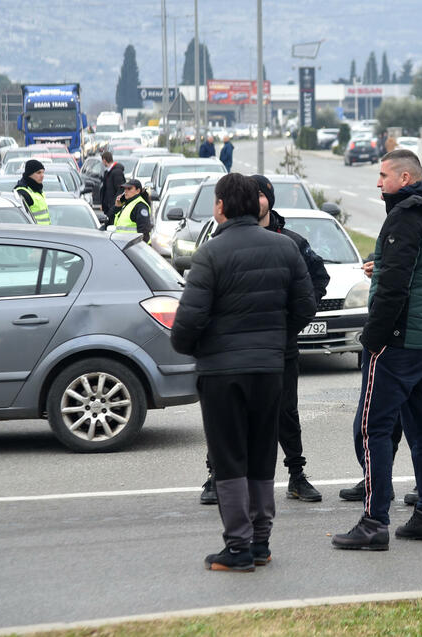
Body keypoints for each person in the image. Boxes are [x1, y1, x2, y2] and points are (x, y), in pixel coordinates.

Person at [172, 173, 316, 572]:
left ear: (220, 206)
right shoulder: (286, 249)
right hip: (269, 368)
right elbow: (305, 307)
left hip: (221, 372)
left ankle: (237, 547)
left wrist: (195, 348)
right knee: (261, 455)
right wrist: (274, 338)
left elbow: (187, 324)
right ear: (257, 206)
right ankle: (260, 542)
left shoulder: (211, 254)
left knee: (228, 458)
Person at [332, 149, 422, 551]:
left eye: (384, 174)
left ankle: (374, 521)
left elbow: (394, 288)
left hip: (398, 341)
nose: (378, 182)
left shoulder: (404, 218)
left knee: (375, 429)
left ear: (405, 179)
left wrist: (373, 338)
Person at [199, 175, 331, 505]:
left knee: (286, 412)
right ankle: (217, 475)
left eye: (261, 194)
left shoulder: (291, 242)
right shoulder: (219, 241)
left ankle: (297, 476)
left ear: (269, 199)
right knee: (228, 415)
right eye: (251, 195)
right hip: (232, 349)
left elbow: (316, 283)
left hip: (279, 347)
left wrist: (287, 326)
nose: (256, 201)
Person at [109, 179, 153, 243]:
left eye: (129, 189)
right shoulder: (127, 204)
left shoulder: (140, 206)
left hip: (135, 247)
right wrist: (117, 207)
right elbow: (110, 220)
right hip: (124, 245)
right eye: (125, 189)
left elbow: (144, 231)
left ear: (137, 191)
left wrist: (139, 247)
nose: (126, 191)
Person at [13, 159, 50, 225]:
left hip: (45, 232)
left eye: (43, 172)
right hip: (34, 233)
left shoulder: (38, 190)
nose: (42, 175)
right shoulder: (23, 192)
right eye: (38, 173)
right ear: (29, 174)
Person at [98, 151, 126, 220]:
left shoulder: (117, 172)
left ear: (104, 160)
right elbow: (106, 190)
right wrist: (103, 204)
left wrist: (114, 205)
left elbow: (120, 190)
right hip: (109, 207)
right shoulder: (108, 172)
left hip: (113, 207)